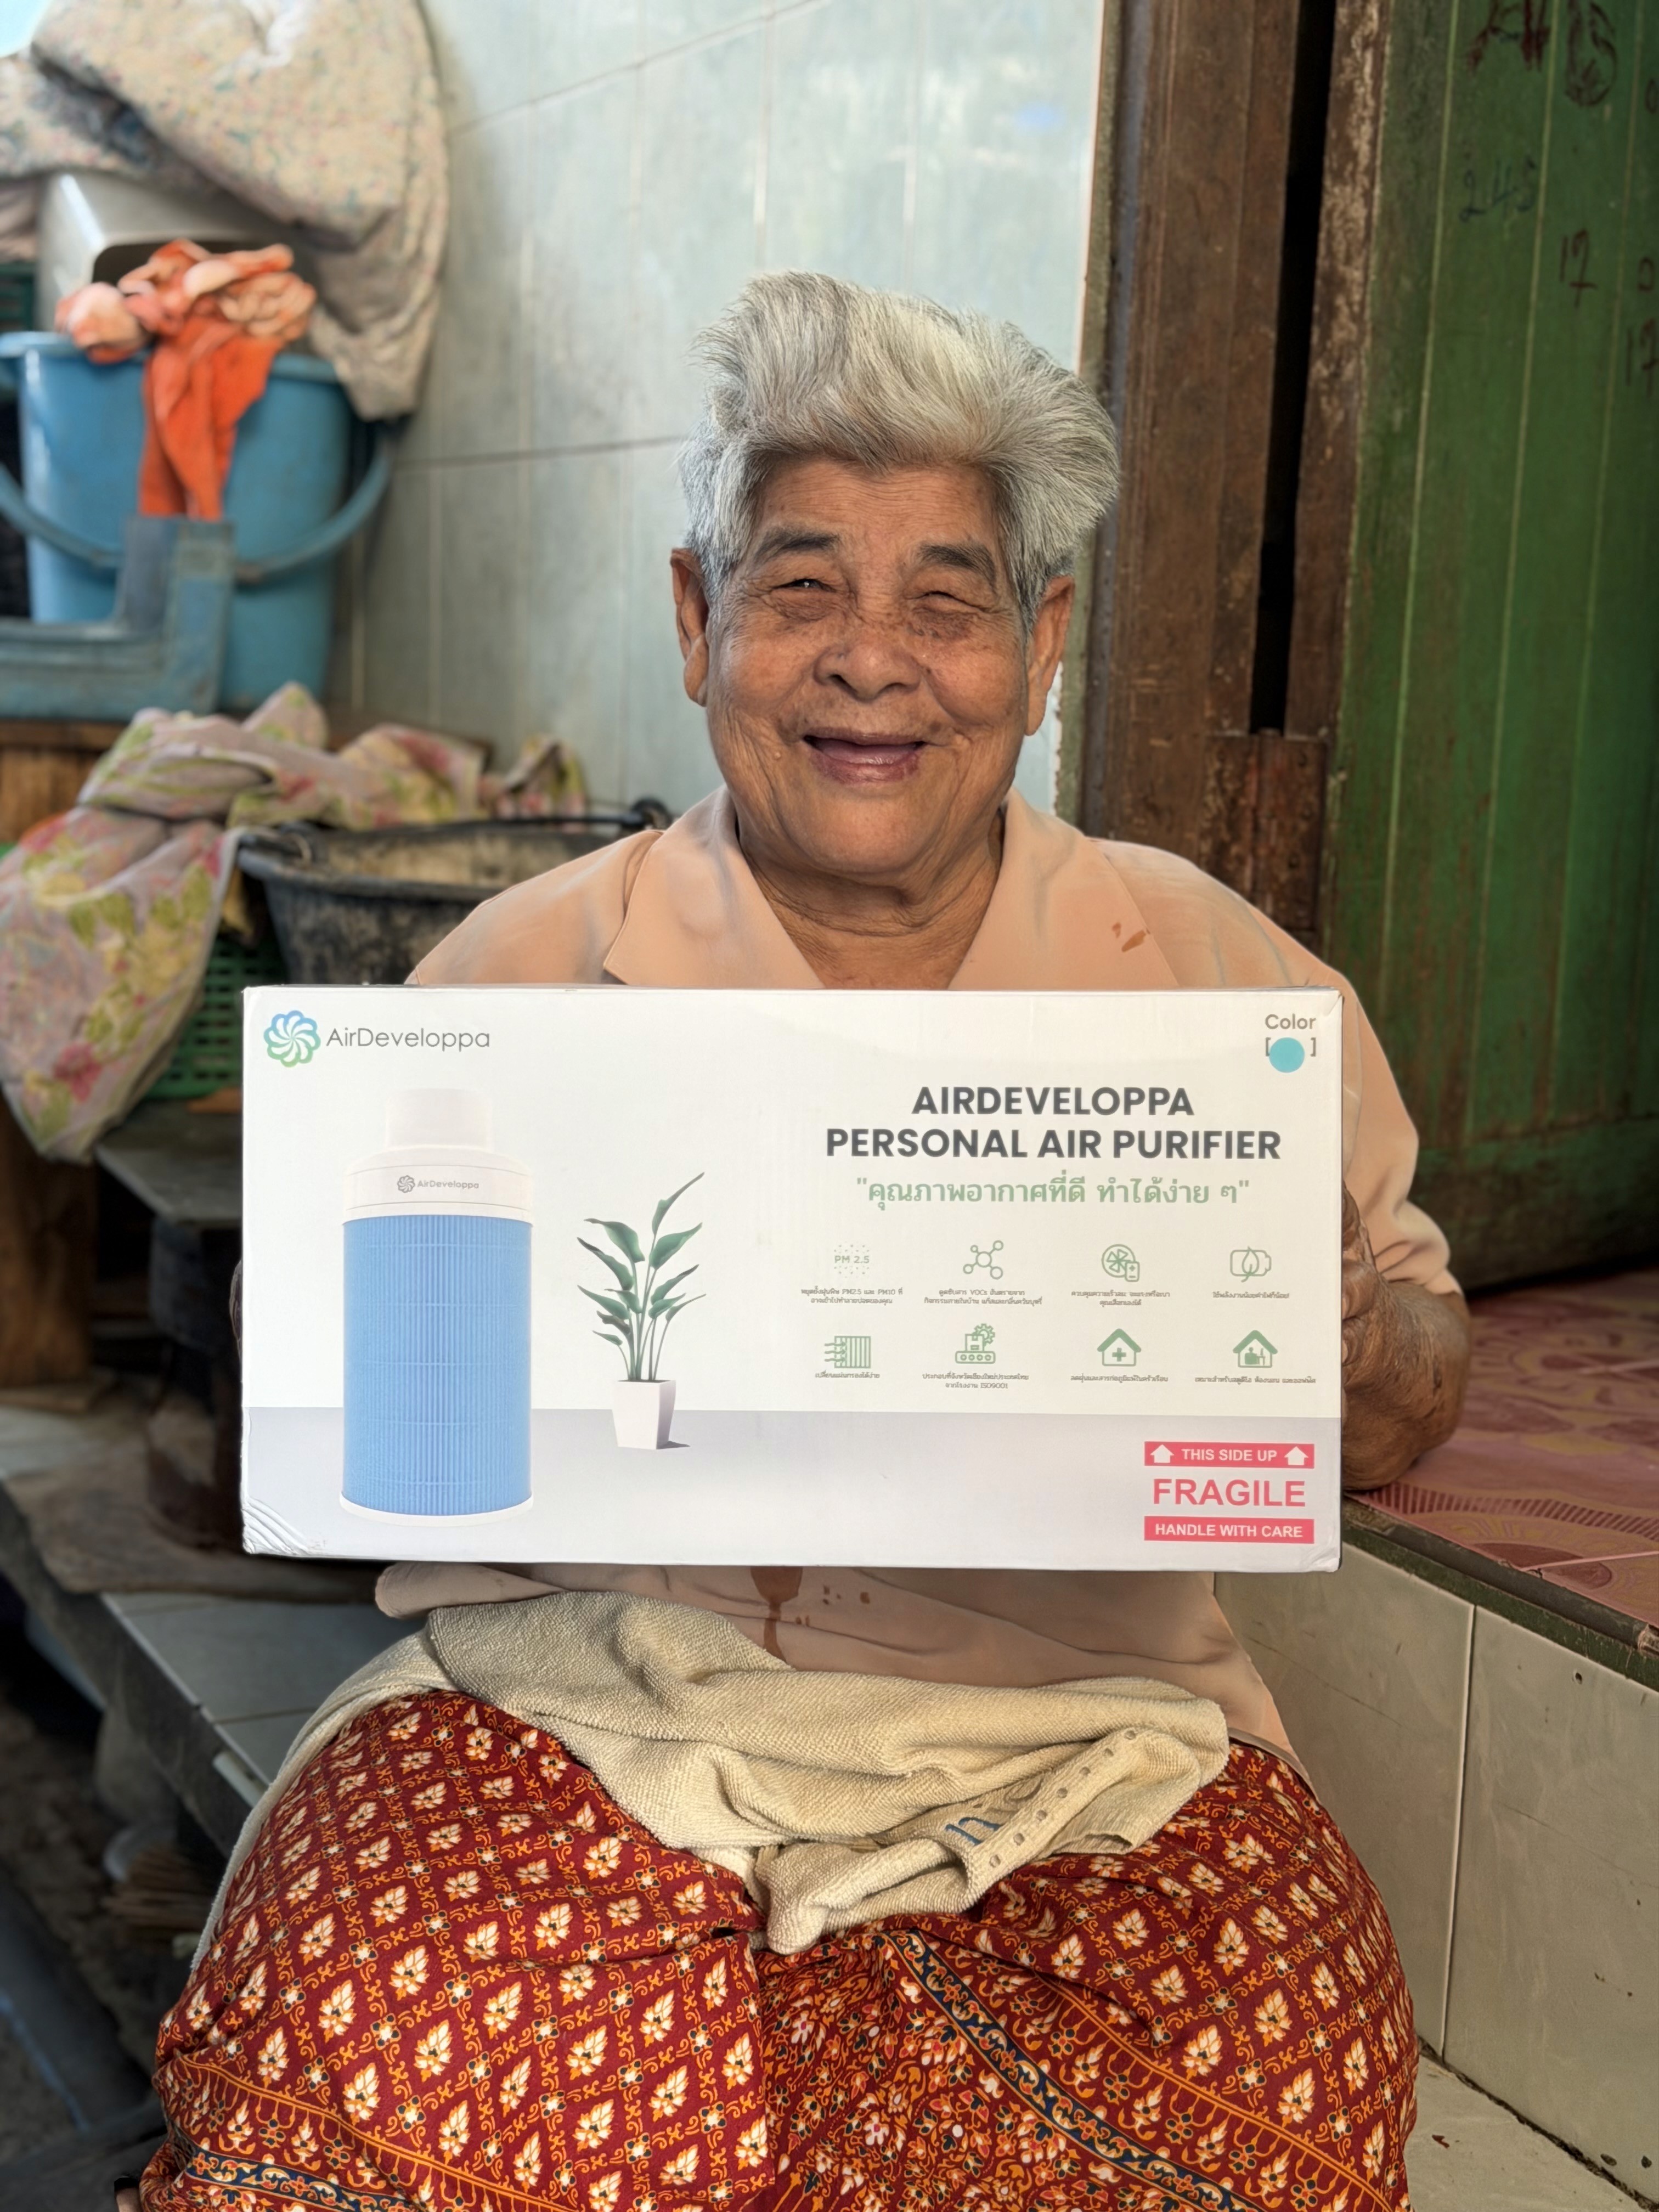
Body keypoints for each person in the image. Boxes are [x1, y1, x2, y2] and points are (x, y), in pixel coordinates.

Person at [137, 273, 1469, 2212]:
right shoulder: (511, 977)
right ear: (699, 621)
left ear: (1045, 641)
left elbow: (1422, 1379)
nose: (874, 664)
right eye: (800, 589)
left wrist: (1353, 1353)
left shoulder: (1203, 982)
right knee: (366, 2008)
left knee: (1271, 2054)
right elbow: (336, 1444)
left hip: (1074, 1740)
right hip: (578, 1702)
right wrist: (322, 1341)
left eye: (946, 599)